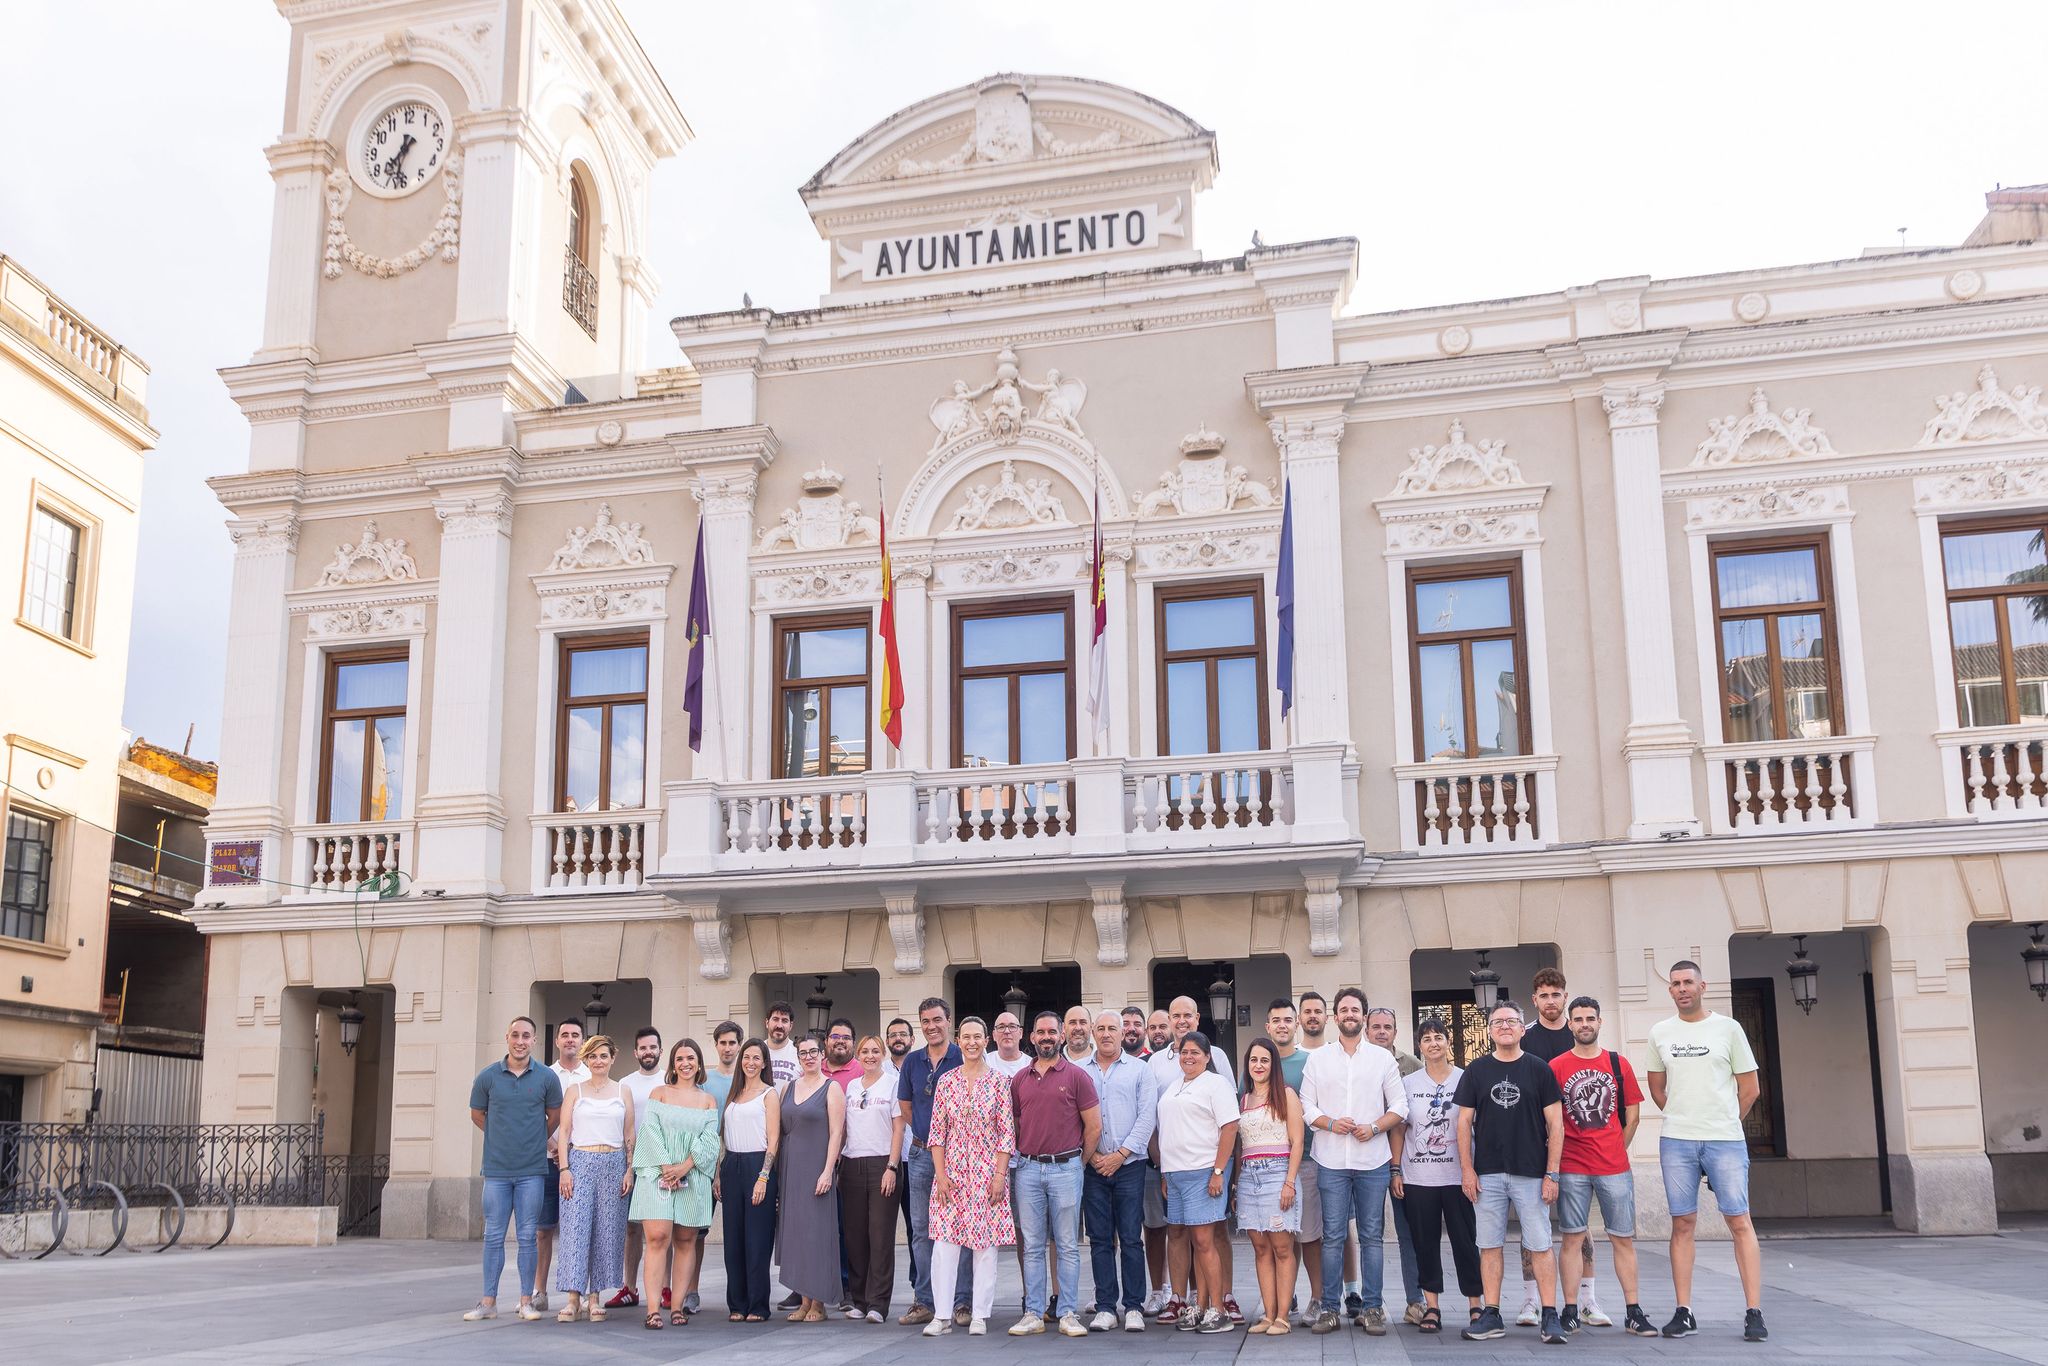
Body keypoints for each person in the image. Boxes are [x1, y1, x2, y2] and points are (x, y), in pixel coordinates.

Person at [1648, 960, 1767, 1344]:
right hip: (1677, 1141)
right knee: (1682, 1225)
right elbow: (1657, 1088)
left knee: (1740, 1222)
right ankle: (1684, 1312)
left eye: (1688, 982)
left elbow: (1749, 1089)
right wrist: (1686, 1117)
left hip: (1725, 1141)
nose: (1682, 988)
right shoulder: (1660, 1033)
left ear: (1703, 986)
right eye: (1676, 983)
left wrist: (1723, 1120)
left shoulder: (1729, 1029)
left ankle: (1753, 1312)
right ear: (1670, 990)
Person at [1455, 1001, 1565, 1345]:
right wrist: (1467, 1170)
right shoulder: (1476, 1071)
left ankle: (1550, 1314)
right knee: (1488, 1245)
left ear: (1522, 1029)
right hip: (1487, 1174)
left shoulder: (1539, 1070)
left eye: (1511, 1021)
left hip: (1532, 1173)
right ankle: (1491, 1314)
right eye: (1497, 1021)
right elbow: (1463, 1123)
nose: (1504, 1026)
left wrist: (1553, 1173)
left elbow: (1556, 1125)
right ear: (1489, 1031)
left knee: (1540, 1244)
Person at [1299, 987, 1406, 1336]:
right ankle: (1330, 1308)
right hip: (1330, 1160)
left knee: (1372, 1236)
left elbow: (1400, 1107)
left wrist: (1374, 1128)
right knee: (1332, 1235)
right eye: (1343, 1009)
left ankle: (1373, 1308)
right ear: (1335, 1016)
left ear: (1363, 1015)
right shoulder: (1319, 1059)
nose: (1349, 1014)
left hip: (1372, 1160)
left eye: (1355, 1009)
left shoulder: (1382, 1059)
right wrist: (1330, 1123)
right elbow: (1306, 1106)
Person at [1551, 996, 1658, 1337]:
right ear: (1570, 1024)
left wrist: (1615, 1148)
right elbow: (1551, 1120)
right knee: (1571, 1238)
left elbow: (1634, 1115)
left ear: (1600, 1023)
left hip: (1614, 1167)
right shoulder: (1556, 1066)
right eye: (1578, 1019)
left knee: (1622, 1239)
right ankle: (1570, 1309)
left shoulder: (1618, 1063)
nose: (1584, 1024)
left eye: (1590, 1019)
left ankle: (1633, 1311)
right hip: (1571, 1166)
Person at [1516, 967, 1602, 1328]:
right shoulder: (1525, 1038)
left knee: (1580, 1228)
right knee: (1532, 1228)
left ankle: (1587, 1300)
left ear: (1565, 998)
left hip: (1579, 1148)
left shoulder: (1577, 1035)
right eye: (1544, 995)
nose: (1550, 1001)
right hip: (1536, 1148)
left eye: (1556, 994)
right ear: (1534, 1000)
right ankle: (1532, 1302)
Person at [463, 1016, 563, 1322]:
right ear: (507, 1037)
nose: (520, 1041)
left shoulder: (546, 1077)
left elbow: (554, 1116)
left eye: (526, 1036)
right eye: (515, 1035)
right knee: (493, 1235)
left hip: (532, 1171)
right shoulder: (488, 1077)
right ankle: (488, 1302)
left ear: (534, 1041)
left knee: (527, 1236)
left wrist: (534, 1141)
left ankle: (525, 1301)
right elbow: (477, 1114)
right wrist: (501, 1137)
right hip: (496, 1170)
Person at [922, 1016, 1016, 1338]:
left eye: (978, 1036)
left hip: (988, 1175)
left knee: (985, 1248)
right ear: (958, 1041)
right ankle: (942, 1315)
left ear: (986, 1040)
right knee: (944, 1246)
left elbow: (1006, 1134)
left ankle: (979, 1314)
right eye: (966, 1037)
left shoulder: (1000, 1082)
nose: (972, 1042)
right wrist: (941, 1175)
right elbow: (937, 1133)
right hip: (952, 1175)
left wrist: (1000, 1175)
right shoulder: (947, 1081)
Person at [1009, 1010, 1101, 1337]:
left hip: (1066, 1168)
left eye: (1052, 1031)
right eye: (1040, 1032)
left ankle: (1067, 1313)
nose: (1046, 1037)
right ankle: (1033, 1312)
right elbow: (1018, 1125)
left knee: (1067, 1246)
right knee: (1032, 1244)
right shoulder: (1019, 1079)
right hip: (1029, 1169)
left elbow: (1093, 1127)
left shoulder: (1077, 1076)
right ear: (1031, 1037)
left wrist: (1078, 1161)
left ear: (1061, 1036)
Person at [1147, 996, 1238, 1325]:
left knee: (1204, 1239)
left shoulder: (1216, 1084)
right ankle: (1195, 1306)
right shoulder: (1173, 1085)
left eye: (1194, 1053)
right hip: (1175, 1174)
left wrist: (1219, 1172)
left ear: (1206, 1056)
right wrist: (1164, 1173)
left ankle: (1216, 1307)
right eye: (1184, 1053)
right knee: (1179, 1236)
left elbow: (1229, 1127)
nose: (1188, 1057)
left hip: (1204, 1173)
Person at [1391, 1016, 1481, 1334]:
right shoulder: (1409, 1084)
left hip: (1457, 1177)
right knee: (1424, 1244)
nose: (1433, 1043)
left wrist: (1473, 1170)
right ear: (1420, 1046)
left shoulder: (1466, 1079)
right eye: (1426, 1038)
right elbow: (1400, 1130)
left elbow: (1474, 1128)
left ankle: (1475, 1304)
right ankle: (1432, 1307)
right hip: (1419, 1178)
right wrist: (1396, 1169)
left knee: (1465, 1243)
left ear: (1447, 1043)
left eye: (1438, 1037)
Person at [631, 1038, 720, 1330]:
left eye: (691, 1058)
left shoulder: (708, 1100)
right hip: (658, 1174)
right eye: (680, 1058)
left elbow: (710, 1140)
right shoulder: (660, 1094)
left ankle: (678, 1306)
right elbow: (650, 1131)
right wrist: (667, 1167)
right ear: (673, 1063)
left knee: (686, 1240)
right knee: (657, 1238)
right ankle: (653, 1309)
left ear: (698, 1063)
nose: (685, 1063)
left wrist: (684, 1167)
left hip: (691, 1175)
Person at [894, 996, 972, 1326]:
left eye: (937, 1020)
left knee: (963, 1228)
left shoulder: (962, 1056)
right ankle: (924, 1300)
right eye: (925, 1021)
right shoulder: (912, 1062)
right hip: (922, 1153)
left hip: (959, 1156)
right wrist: (929, 1137)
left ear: (948, 1022)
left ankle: (962, 1302)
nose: (931, 1026)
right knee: (921, 1229)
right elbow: (906, 1106)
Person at [1081, 1008, 1156, 1333]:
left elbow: (1147, 1117)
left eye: (1114, 1028)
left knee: (1130, 1237)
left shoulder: (1140, 1070)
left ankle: (1135, 1306)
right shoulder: (1079, 1071)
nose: (1108, 1033)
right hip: (1092, 1166)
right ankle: (1106, 1307)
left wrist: (1120, 1154)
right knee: (1099, 1239)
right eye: (1102, 1028)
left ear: (1121, 1033)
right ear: (1093, 1033)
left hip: (1130, 1166)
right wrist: (1095, 1154)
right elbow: (1074, 1117)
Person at [553, 1035, 634, 1323]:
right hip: (581, 1161)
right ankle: (573, 1297)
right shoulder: (575, 1091)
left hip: (613, 1163)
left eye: (604, 1056)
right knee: (576, 1228)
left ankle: (595, 1296)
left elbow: (629, 1134)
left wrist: (629, 1169)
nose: (598, 1061)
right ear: (587, 1060)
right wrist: (564, 1169)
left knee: (606, 1230)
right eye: (593, 1057)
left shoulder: (623, 1091)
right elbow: (564, 1132)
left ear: (613, 1058)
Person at [776, 1033, 846, 1323]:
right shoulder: (787, 1088)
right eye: (802, 1052)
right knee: (796, 1234)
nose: (808, 1056)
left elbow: (836, 1134)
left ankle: (819, 1302)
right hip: (792, 1168)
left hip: (817, 1168)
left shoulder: (831, 1089)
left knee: (818, 1234)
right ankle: (804, 1300)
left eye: (813, 1051)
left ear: (822, 1055)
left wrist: (828, 1170)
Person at [1236, 1037, 1303, 1335]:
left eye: (1265, 1060)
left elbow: (1298, 1141)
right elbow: (1240, 1146)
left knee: (1281, 1247)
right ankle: (1268, 1313)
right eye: (1253, 1060)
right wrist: (1237, 1186)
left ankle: (1283, 1317)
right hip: (1249, 1176)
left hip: (1278, 1173)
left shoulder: (1286, 1094)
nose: (1258, 1065)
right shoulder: (1243, 1099)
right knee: (1260, 1247)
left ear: (1273, 1064)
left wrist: (1289, 1182)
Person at [1365, 1007, 1425, 1327]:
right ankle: (1367, 1301)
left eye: (1387, 1027)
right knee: (1367, 1234)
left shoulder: (1412, 1067)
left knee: (1409, 1234)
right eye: (1376, 1027)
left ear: (1395, 1032)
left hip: (1406, 1162)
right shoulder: (1356, 1065)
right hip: (1367, 1160)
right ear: (1366, 1029)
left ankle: (1415, 1301)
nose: (1382, 1032)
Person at [718, 1038, 782, 1322]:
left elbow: (774, 1139)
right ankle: (737, 1303)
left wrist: (764, 1176)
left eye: (757, 1058)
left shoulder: (769, 1094)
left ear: (764, 1062)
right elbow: (722, 1137)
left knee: (757, 1239)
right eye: (747, 1057)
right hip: (732, 1164)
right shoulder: (734, 1095)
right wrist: (719, 1174)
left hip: (758, 1165)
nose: (750, 1063)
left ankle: (758, 1305)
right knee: (733, 1240)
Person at [843, 1035, 900, 1323]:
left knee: (879, 1236)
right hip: (852, 1163)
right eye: (864, 1051)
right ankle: (859, 1300)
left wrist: (892, 1166)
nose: (869, 1056)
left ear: (883, 1054)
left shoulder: (892, 1083)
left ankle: (878, 1303)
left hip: (882, 1164)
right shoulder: (852, 1086)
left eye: (875, 1051)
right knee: (855, 1236)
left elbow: (898, 1127)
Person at [534, 1018, 588, 1310]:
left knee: (575, 1229)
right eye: (564, 1035)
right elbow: (535, 1118)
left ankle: (575, 1293)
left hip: (579, 1163)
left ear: (582, 1040)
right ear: (556, 1041)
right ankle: (539, 1291)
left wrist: (570, 1151)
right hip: (547, 1161)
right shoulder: (544, 1075)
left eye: (575, 1035)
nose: (570, 1039)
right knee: (543, 1229)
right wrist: (553, 1146)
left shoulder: (590, 1075)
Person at [613, 1026, 665, 1314]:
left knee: (662, 1230)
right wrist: (627, 1165)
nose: (648, 1052)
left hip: (662, 1165)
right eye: (643, 1048)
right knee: (632, 1229)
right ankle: (629, 1288)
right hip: (633, 1162)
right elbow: (624, 1126)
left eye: (652, 1047)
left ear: (660, 1049)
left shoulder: (670, 1080)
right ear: (636, 1052)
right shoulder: (626, 1084)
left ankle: (665, 1288)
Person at [884, 1016, 920, 1293]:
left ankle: (919, 1283)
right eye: (893, 1035)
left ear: (912, 1039)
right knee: (880, 1229)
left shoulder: (920, 1067)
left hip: (917, 1158)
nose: (898, 1038)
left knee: (916, 1226)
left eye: (903, 1034)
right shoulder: (879, 1073)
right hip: (886, 1162)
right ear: (887, 1042)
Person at [764, 1001, 798, 1086]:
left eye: (784, 1021)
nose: (779, 1025)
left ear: (791, 1025)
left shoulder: (800, 1053)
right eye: (775, 1019)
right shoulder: (756, 1051)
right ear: (767, 1023)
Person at [989, 1012, 1031, 1077]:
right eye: (1001, 1027)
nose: (1007, 1031)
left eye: (1012, 1027)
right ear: (994, 1035)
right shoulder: (985, 1062)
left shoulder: (1031, 1065)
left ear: (1021, 1033)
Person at [823, 1018, 862, 1087]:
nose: (840, 1041)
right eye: (835, 1036)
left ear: (854, 1043)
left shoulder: (863, 1071)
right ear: (826, 1041)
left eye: (846, 1038)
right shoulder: (815, 1068)